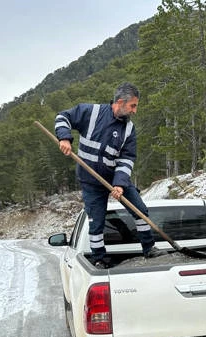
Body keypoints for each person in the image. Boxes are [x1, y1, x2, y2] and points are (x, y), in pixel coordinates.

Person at [55, 82, 165, 268]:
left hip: (116, 178)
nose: (135, 111)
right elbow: (62, 117)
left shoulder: (129, 129)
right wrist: (64, 137)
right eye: (133, 106)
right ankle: (99, 258)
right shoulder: (91, 113)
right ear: (121, 102)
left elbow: (127, 159)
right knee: (96, 222)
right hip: (91, 182)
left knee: (140, 210)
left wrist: (120, 184)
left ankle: (149, 248)